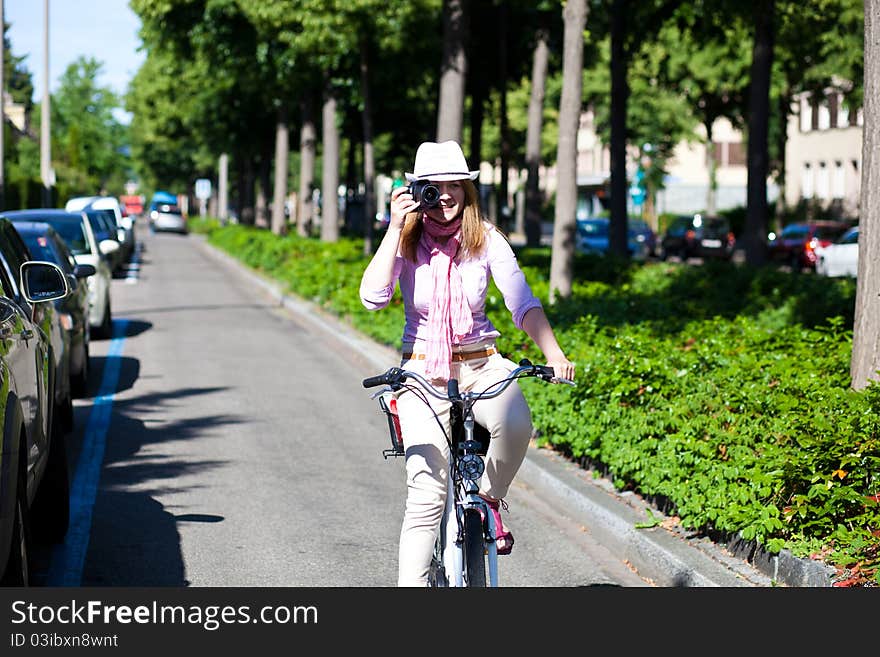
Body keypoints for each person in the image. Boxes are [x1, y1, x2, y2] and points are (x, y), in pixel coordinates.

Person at [359, 140, 575, 587]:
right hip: (423, 370)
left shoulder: (487, 238)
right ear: (416, 191)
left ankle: (489, 501)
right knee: (426, 494)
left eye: (452, 185)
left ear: (466, 188)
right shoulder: (407, 239)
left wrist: (553, 353)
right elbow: (373, 298)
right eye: (431, 188)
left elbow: (522, 303)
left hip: (482, 362)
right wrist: (394, 227)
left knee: (516, 422)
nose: (444, 197)